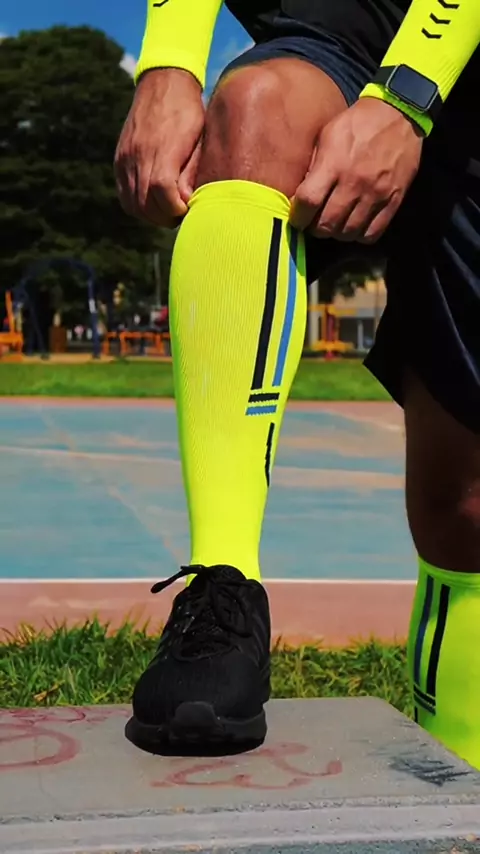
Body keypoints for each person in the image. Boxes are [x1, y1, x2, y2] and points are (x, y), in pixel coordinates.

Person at [115, 0, 480, 764]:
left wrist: (406, 98)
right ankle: (224, 591)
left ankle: (460, 778)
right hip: (344, 24)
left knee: (464, 507)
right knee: (258, 105)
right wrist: (168, 64)